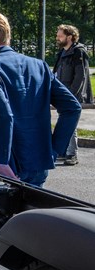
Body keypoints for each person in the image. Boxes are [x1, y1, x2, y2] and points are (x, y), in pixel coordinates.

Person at [0, 11, 81, 186]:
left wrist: (1, 162)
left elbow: (3, 115)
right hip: (37, 162)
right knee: (32, 212)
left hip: (0, 166)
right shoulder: (39, 65)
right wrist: (53, 150)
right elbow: (72, 108)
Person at [53, 24, 91, 166]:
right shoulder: (61, 53)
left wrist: (72, 95)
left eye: (60, 35)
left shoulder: (78, 52)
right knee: (64, 122)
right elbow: (55, 74)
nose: (57, 38)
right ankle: (64, 152)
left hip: (72, 95)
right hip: (62, 93)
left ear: (69, 37)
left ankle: (72, 154)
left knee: (70, 124)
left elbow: (80, 77)